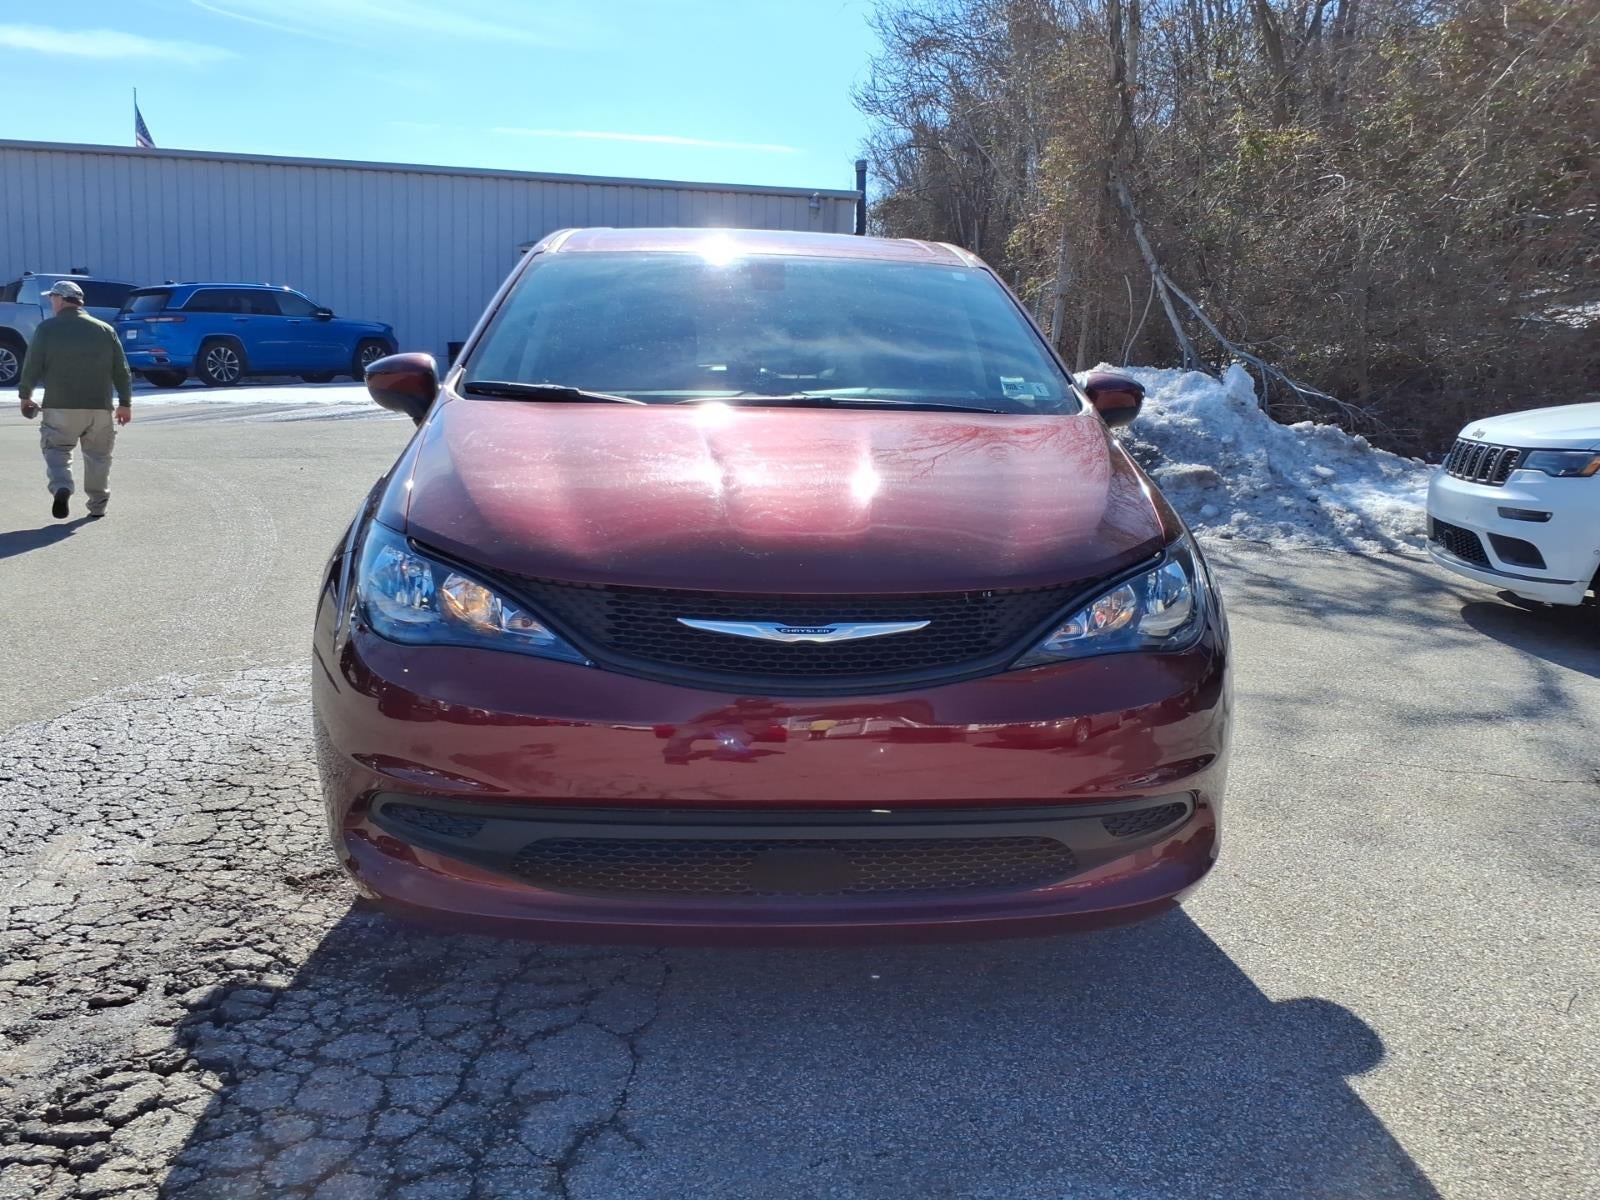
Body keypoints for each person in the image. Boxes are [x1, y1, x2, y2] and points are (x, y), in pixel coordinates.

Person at [17, 279, 133, 520]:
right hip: (99, 408)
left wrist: (25, 395)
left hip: (60, 406)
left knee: (56, 450)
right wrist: (125, 403)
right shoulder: (104, 329)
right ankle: (98, 504)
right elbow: (121, 369)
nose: (51, 302)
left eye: (52, 298)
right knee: (99, 457)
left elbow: (32, 365)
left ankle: (62, 486)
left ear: (60, 299)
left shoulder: (47, 329)